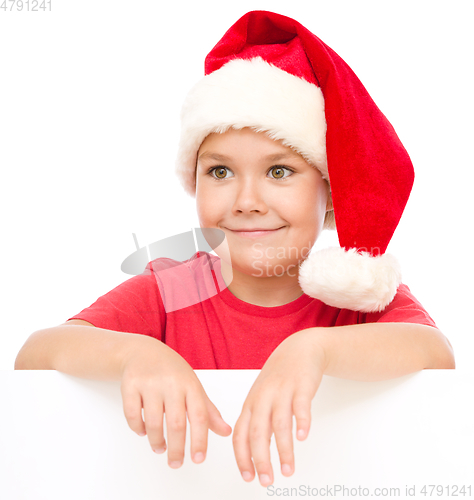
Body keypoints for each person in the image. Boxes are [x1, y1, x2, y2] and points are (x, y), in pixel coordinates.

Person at [14, 10, 454, 488]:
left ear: (327, 189)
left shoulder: (355, 301)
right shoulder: (170, 292)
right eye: (220, 171)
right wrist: (133, 354)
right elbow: (35, 354)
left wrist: (314, 350)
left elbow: (436, 353)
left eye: (279, 171)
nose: (246, 203)